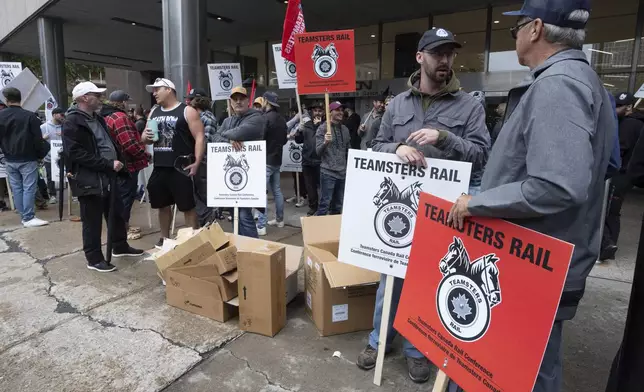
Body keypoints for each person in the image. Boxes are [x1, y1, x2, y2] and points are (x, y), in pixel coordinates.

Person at [446, 1, 615, 391]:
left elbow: (558, 185)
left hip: (533, 265)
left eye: (516, 29)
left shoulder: (558, 85)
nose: (516, 36)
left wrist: (478, 203)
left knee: (524, 371)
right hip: (538, 258)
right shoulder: (577, 80)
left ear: (535, 28)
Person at [365, 27, 490, 383]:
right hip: (397, 209)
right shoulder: (398, 105)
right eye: (438, 54)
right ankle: (379, 340)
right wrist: (396, 148)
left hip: (443, 212)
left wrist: (446, 137)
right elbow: (376, 146)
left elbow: (482, 156)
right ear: (420, 57)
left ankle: (417, 349)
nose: (445, 61)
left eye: (450, 54)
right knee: (389, 277)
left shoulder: (469, 106)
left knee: (430, 281)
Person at [63, 82, 144, 272]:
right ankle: (94, 258)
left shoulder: (96, 118)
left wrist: (117, 162)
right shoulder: (72, 121)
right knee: (92, 220)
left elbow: (107, 143)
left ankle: (119, 245)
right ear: (84, 98)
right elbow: (75, 152)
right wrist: (107, 163)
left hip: (108, 174)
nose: (100, 98)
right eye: (96, 95)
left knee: (115, 211)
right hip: (90, 177)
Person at [141, 78, 205, 249]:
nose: (154, 93)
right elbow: (143, 137)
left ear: (169, 90)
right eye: (153, 90)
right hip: (160, 166)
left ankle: (194, 240)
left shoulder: (187, 111)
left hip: (181, 166)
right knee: (162, 205)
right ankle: (164, 238)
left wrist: (197, 162)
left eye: (157, 89)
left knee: (187, 207)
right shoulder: (154, 111)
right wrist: (145, 137)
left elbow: (200, 136)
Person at [215, 86, 265, 237]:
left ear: (247, 101)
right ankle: (243, 246)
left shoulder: (256, 117)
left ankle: (254, 250)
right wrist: (228, 140)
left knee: (244, 214)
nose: (238, 102)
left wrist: (227, 136)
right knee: (234, 213)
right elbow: (213, 138)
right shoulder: (228, 120)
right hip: (230, 175)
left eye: (241, 98)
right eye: (234, 99)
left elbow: (240, 132)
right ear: (230, 102)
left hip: (250, 175)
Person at [101, 90, 150, 240]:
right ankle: (122, 230)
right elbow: (129, 144)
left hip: (116, 164)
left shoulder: (106, 116)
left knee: (119, 198)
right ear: (122, 102)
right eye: (127, 102)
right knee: (124, 198)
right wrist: (146, 154)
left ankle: (124, 226)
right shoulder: (120, 117)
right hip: (127, 165)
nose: (128, 105)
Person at [600, 92, 644, 261]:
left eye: (620, 106)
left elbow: (620, 150)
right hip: (626, 174)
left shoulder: (628, 124)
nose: (616, 109)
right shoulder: (637, 124)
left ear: (629, 107)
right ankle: (608, 244)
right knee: (613, 210)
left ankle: (607, 245)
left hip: (620, 175)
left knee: (609, 210)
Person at [0, 87, 50, 227]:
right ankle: (28, 217)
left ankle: (25, 216)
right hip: (27, 157)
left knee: (17, 188)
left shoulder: (1, 116)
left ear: (6, 99)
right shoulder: (30, 116)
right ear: (20, 98)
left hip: (9, 158)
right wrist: (40, 155)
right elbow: (37, 139)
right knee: (29, 187)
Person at [187, 87, 219, 227]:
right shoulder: (198, 117)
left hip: (204, 162)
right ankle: (205, 221)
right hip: (197, 162)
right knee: (194, 193)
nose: (188, 101)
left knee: (203, 195)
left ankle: (208, 221)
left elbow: (206, 142)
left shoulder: (207, 118)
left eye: (191, 99)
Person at [256, 91, 287, 233]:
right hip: (277, 160)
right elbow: (285, 140)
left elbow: (260, 138)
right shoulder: (281, 119)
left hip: (265, 159)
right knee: (277, 190)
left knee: (261, 192)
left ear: (266, 101)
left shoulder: (264, 119)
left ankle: (261, 226)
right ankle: (280, 220)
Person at [315, 101, 351, 216]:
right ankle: (320, 231)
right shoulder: (322, 129)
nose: (341, 112)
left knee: (338, 205)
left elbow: (348, 149)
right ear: (330, 112)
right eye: (337, 110)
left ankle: (334, 231)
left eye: (341, 110)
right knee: (325, 204)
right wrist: (325, 142)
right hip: (328, 173)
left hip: (342, 173)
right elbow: (318, 152)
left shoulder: (345, 129)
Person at [294, 108, 320, 216]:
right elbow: (298, 140)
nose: (318, 113)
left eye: (320, 111)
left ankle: (324, 206)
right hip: (307, 160)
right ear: (312, 112)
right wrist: (299, 131)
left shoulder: (325, 124)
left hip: (320, 160)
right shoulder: (306, 124)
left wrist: (318, 126)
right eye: (315, 111)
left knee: (322, 186)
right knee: (310, 186)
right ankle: (313, 206)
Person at [40, 107, 65, 204]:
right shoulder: (43, 127)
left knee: (68, 174)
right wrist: (43, 138)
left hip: (64, 155)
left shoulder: (65, 126)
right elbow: (37, 140)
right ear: (54, 115)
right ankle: (53, 195)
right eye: (61, 114)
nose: (63, 117)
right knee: (50, 176)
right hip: (49, 156)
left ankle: (72, 194)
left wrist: (64, 134)